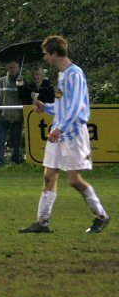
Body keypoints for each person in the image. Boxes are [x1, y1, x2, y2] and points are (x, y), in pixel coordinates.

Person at [19, 36, 110, 234]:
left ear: (54, 53)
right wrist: (47, 108)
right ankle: (42, 222)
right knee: (49, 176)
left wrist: (60, 128)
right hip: (59, 131)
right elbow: (64, 106)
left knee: (74, 180)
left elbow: (77, 107)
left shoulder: (74, 74)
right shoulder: (62, 75)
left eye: (45, 54)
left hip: (73, 133)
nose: (44, 58)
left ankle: (101, 215)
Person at [0, 60, 24, 165]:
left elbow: (26, 98)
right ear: (7, 68)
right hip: (2, 118)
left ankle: (15, 163)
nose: (12, 69)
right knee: (0, 142)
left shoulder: (23, 82)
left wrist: (22, 86)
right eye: (10, 67)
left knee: (16, 142)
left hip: (17, 118)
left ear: (18, 68)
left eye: (14, 67)